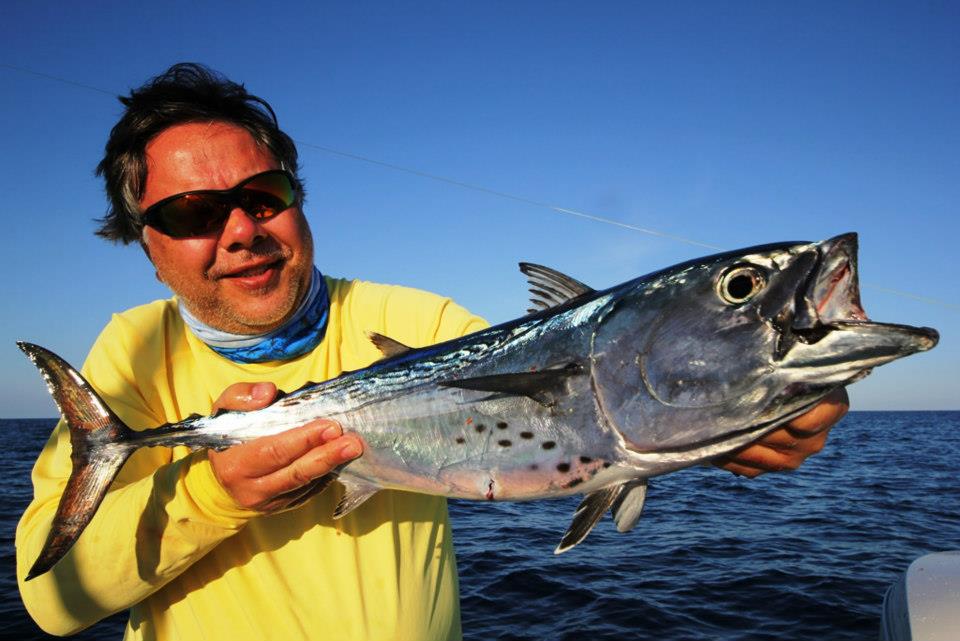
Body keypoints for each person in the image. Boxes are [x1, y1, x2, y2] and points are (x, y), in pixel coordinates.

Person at [16, 63, 848, 640]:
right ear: (145, 242)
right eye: (193, 214)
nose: (240, 231)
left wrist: (747, 399)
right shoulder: (133, 351)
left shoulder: (413, 315)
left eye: (263, 196)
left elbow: (579, 404)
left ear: (298, 200)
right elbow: (52, 601)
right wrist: (213, 492)